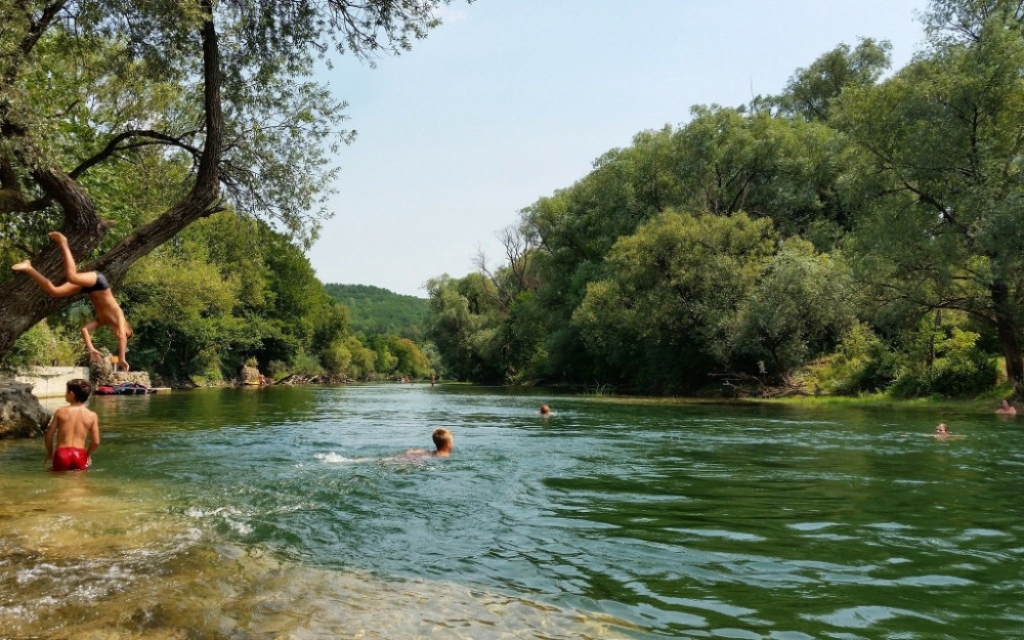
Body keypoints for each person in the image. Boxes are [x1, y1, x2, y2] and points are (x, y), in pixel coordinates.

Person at [12, 231, 132, 370]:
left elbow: (84, 330)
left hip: (89, 289)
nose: (122, 335)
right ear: (126, 327)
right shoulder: (118, 315)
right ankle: (63, 242)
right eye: (126, 333)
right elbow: (123, 338)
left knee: (54, 292)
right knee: (72, 277)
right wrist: (122, 358)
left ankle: (29, 267)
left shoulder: (103, 320)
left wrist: (91, 348)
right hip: (99, 282)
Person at [44, 379, 100, 471]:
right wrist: (88, 454)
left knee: (57, 480)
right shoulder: (92, 416)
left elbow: (48, 437)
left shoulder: (60, 412)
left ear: (72, 394)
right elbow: (96, 442)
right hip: (80, 455)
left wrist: (50, 453)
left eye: (66, 391)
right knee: (78, 483)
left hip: (61, 454)